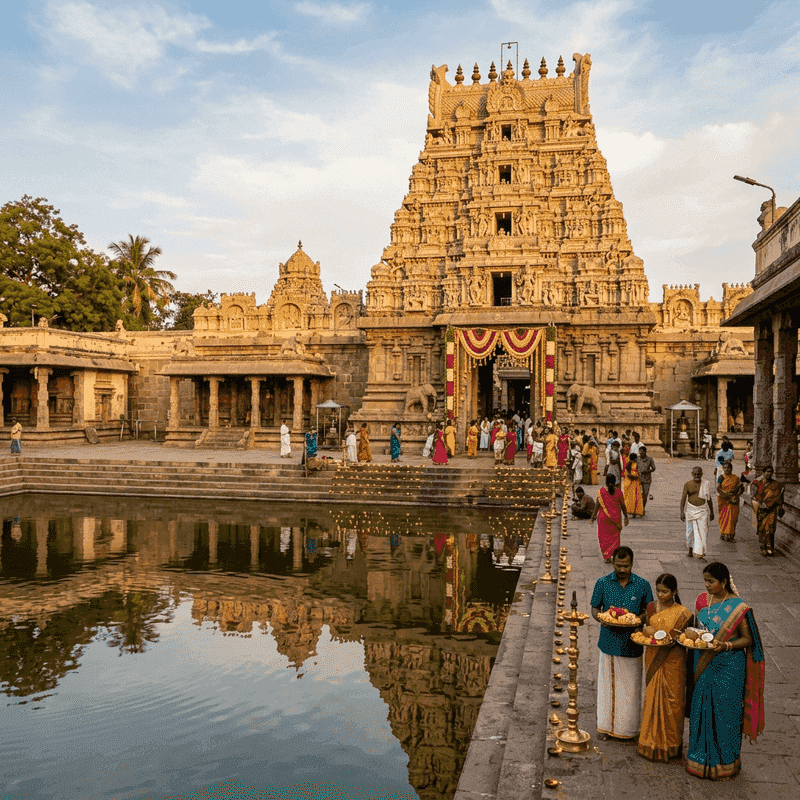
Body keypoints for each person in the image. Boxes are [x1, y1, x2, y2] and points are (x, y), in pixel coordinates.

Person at [686, 562, 765, 780]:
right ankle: (698, 759)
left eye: (711, 581)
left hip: (729, 667)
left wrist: (726, 645)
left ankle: (725, 762)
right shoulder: (702, 600)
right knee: (700, 710)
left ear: (724, 582)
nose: (707, 585)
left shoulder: (739, 607)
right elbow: (697, 628)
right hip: (703, 663)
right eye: (705, 581)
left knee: (725, 713)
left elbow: (748, 639)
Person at [591, 547, 654, 740]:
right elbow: (595, 609)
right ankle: (606, 728)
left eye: (626, 566)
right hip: (609, 642)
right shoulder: (602, 583)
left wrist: (638, 620)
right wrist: (602, 618)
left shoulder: (643, 585)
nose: (622, 569)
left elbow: (650, 611)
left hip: (632, 644)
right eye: (619, 565)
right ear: (613, 563)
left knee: (631, 688)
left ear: (632, 564)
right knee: (608, 688)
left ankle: (629, 730)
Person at [637, 574, 692, 762]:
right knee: (652, 697)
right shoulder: (651, 607)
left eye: (665, 591)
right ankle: (648, 742)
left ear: (675, 592)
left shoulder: (684, 613)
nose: (661, 595)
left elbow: (682, 638)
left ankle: (670, 745)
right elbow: (645, 627)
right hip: (653, 657)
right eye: (658, 591)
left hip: (674, 661)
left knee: (673, 701)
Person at [591, 474, 629, 562]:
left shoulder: (601, 491)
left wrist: (593, 516)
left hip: (603, 518)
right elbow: (623, 506)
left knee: (603, 538)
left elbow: (597, 505)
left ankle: (606, 557)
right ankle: (613, 555)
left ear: (606, 482)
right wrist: (626, 517)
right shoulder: (619, 492)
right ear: (615, 481)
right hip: (615, 518)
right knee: (615, 538)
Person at [680, 466, 714, 561]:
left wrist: (712, 511)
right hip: (690, 510)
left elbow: (709, 499)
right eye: (695, 474)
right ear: (692, 474)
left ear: (701, 474)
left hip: (702, 511)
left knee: (703, 531)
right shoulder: (688, 484)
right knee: (689, 532)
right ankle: (690, 549)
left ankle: (700, 553)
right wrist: (681, 511)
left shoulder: (705, 484)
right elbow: (683, 498)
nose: (697, 476)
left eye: (698, 474)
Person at [751, 465, 784, 556]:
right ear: (763, 473)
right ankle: (763, 548)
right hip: (761, 510)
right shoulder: (758, 483)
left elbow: (780, 496)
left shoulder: (776, 484)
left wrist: (779, 506)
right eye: (767, 471)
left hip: (771, 510)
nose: (769, 473)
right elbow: (754, 496)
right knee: (761, 529)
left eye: (771, 472)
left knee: (770, 529)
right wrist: (760, 505)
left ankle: (770, 548)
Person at [716, 460, 743, 542]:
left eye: (728, 467)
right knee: (723, 517)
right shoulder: (721, 477)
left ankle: (731, 535)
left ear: (731, 468)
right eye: (725, 468)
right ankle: (723, 533)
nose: (727, 469)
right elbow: (718, 488)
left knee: (733, 518)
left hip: (734, 500)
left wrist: (736, 496)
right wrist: (726, 496)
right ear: (723, 469)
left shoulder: (736, 478)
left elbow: (741, 489)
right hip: (724, 500)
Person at [622, 452, 644, 517]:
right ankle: (633, 511)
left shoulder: (633, 463)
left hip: (635, 482)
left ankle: (635, 511)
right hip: (632, 482)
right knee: (633, 496)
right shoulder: (630, 464)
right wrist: (635, 477)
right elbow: (628, 473)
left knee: (635, 496)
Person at [637, 446, 656, 513]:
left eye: (642, 451)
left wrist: (647, 471)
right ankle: (637, 508)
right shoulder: (637, 459)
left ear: (645, 452)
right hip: (638, 479)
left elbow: (654, 468)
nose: (641, 453)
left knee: (645, 495)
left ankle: (642, 508)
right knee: (638, 495)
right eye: (640, 451)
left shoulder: (650, 459)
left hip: (647, 479)